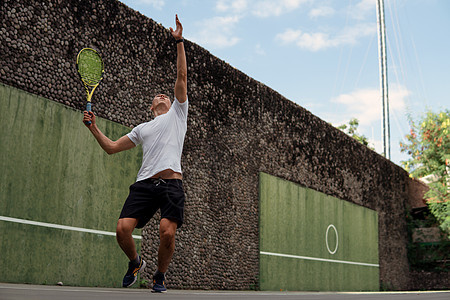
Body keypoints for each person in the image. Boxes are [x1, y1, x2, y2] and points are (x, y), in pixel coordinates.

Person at [82, 14, 187, 293]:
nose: (163, 96)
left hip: (172, 184)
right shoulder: (142, 128)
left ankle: (159, 277)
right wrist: (94, 128)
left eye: (166, 95)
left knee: (167, 233)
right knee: (121, 230)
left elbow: (181, 76)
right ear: (151, 107)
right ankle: (135, 261)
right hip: (144, 184)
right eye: (158, 96)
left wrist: (179, 41)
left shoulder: (179, 114)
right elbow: (112, 148)